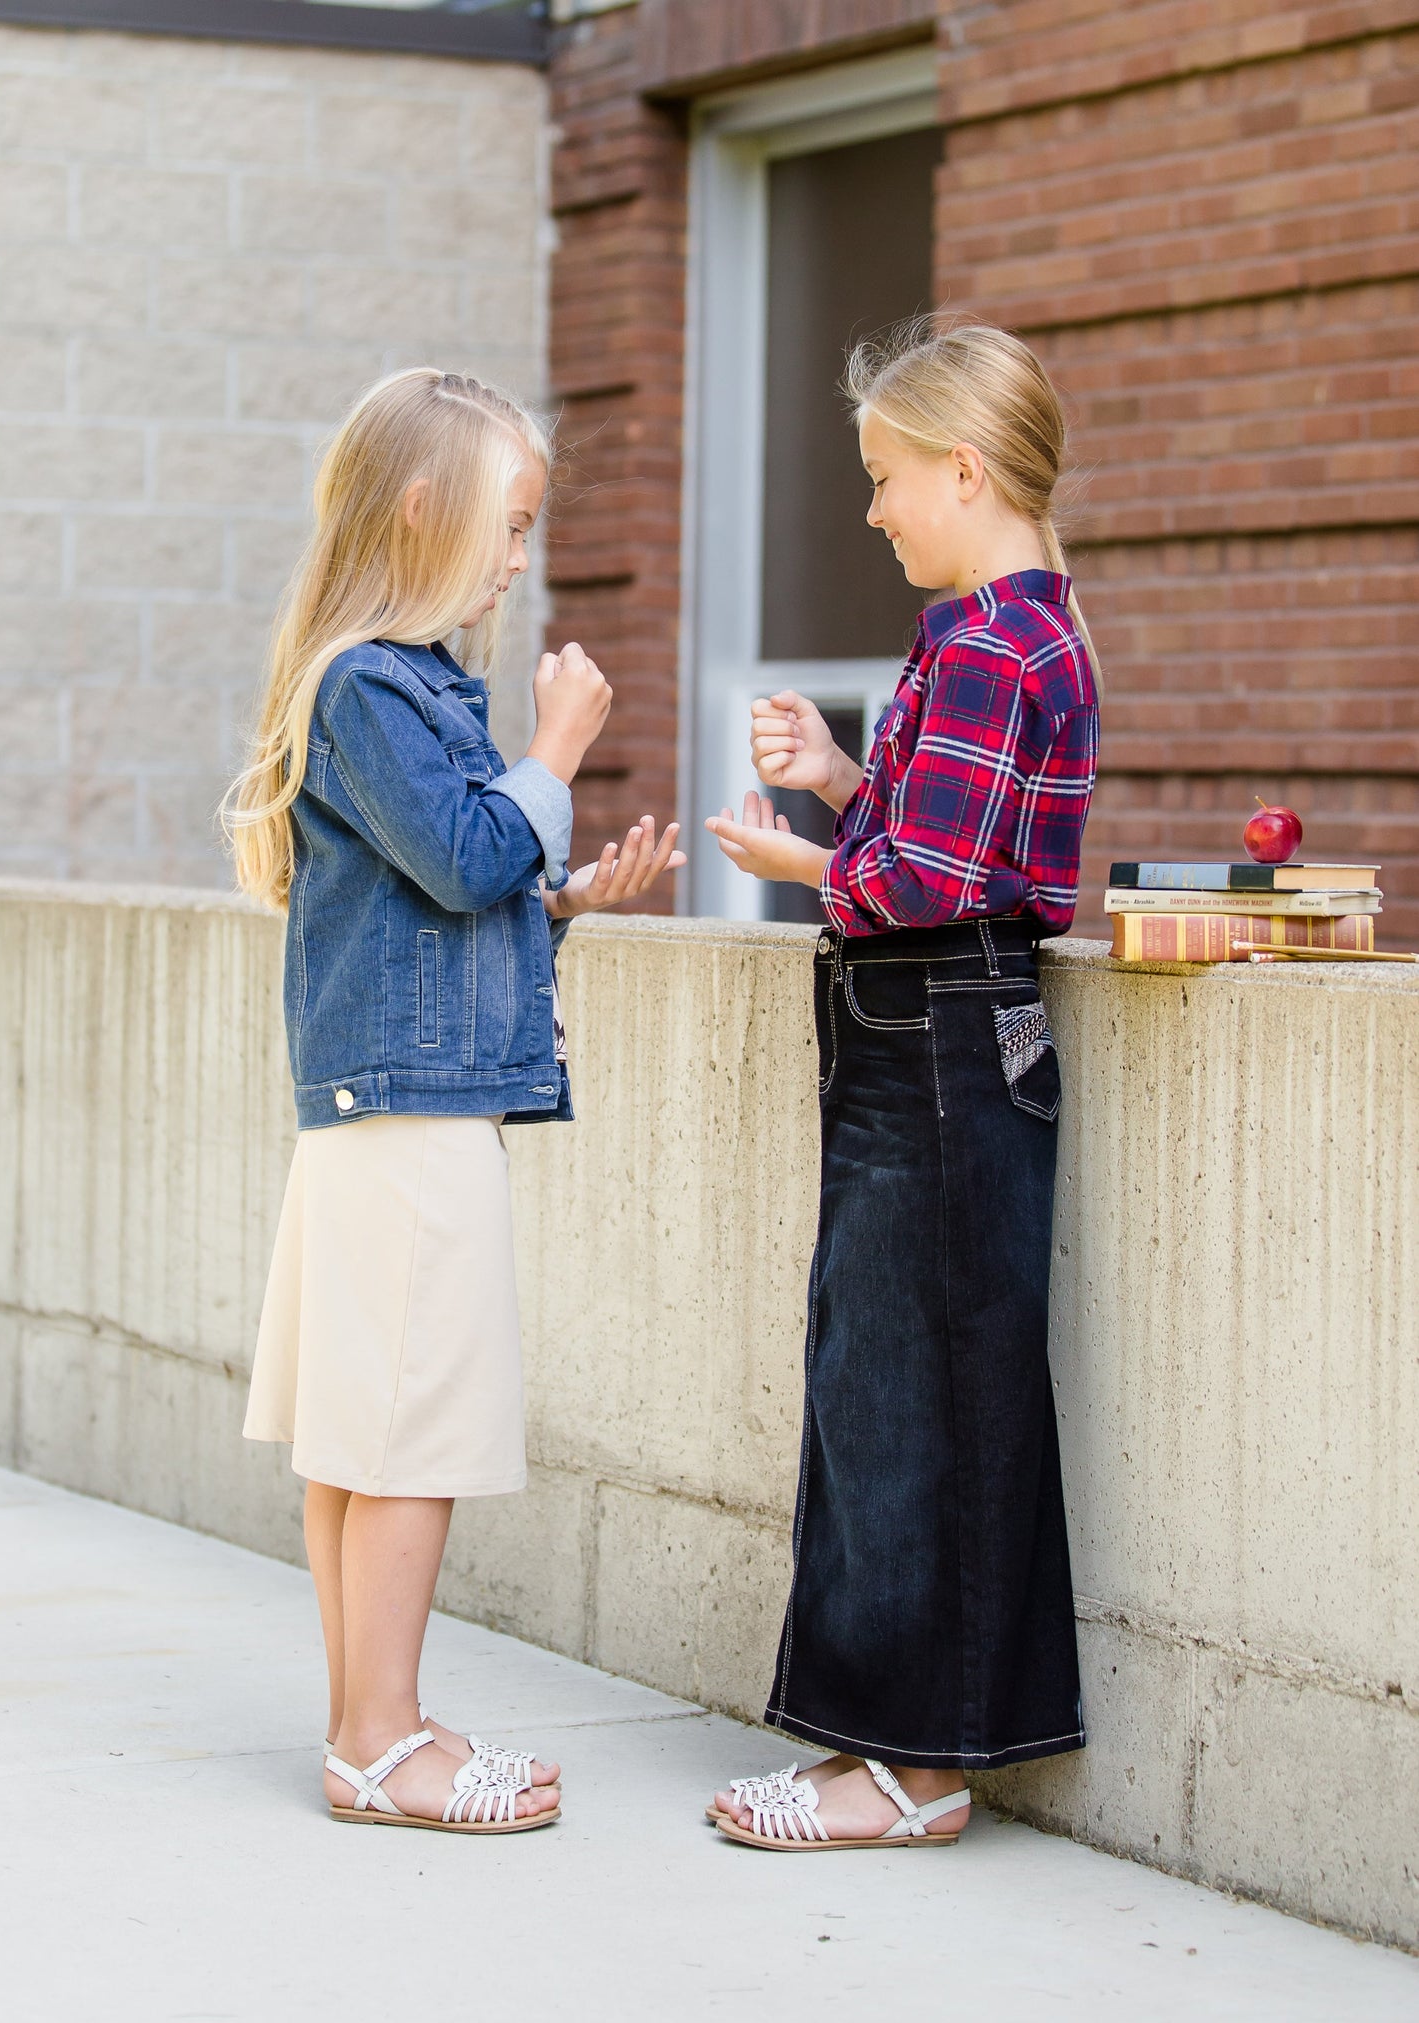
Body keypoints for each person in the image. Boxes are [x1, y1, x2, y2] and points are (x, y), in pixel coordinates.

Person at [227, 368, 683, 1836]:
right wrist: (552, 756)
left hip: (391, 1106)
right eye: (508, 528)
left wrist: (559, 901)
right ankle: (381, 1737)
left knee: (361, 1430)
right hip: (409, 1124)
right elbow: (463, 855)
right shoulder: (370, 681)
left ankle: (373, 1722)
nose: (515, 561)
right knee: (406, 1434)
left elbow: (465, 889)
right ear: (425, 514)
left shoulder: (400, 684)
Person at [704, 322, 1100, 1852]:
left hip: (926, 1036)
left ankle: (905, 1770)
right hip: (951, 1030)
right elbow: (957, 844)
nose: (870, 511)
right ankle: (918, 1750)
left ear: (961, 465)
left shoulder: (991, 643)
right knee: (930, 1377)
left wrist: (802, 858)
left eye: (881, 479)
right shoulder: (1011, 629)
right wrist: (836, 782)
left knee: (893, 1391)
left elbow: (919, 883)